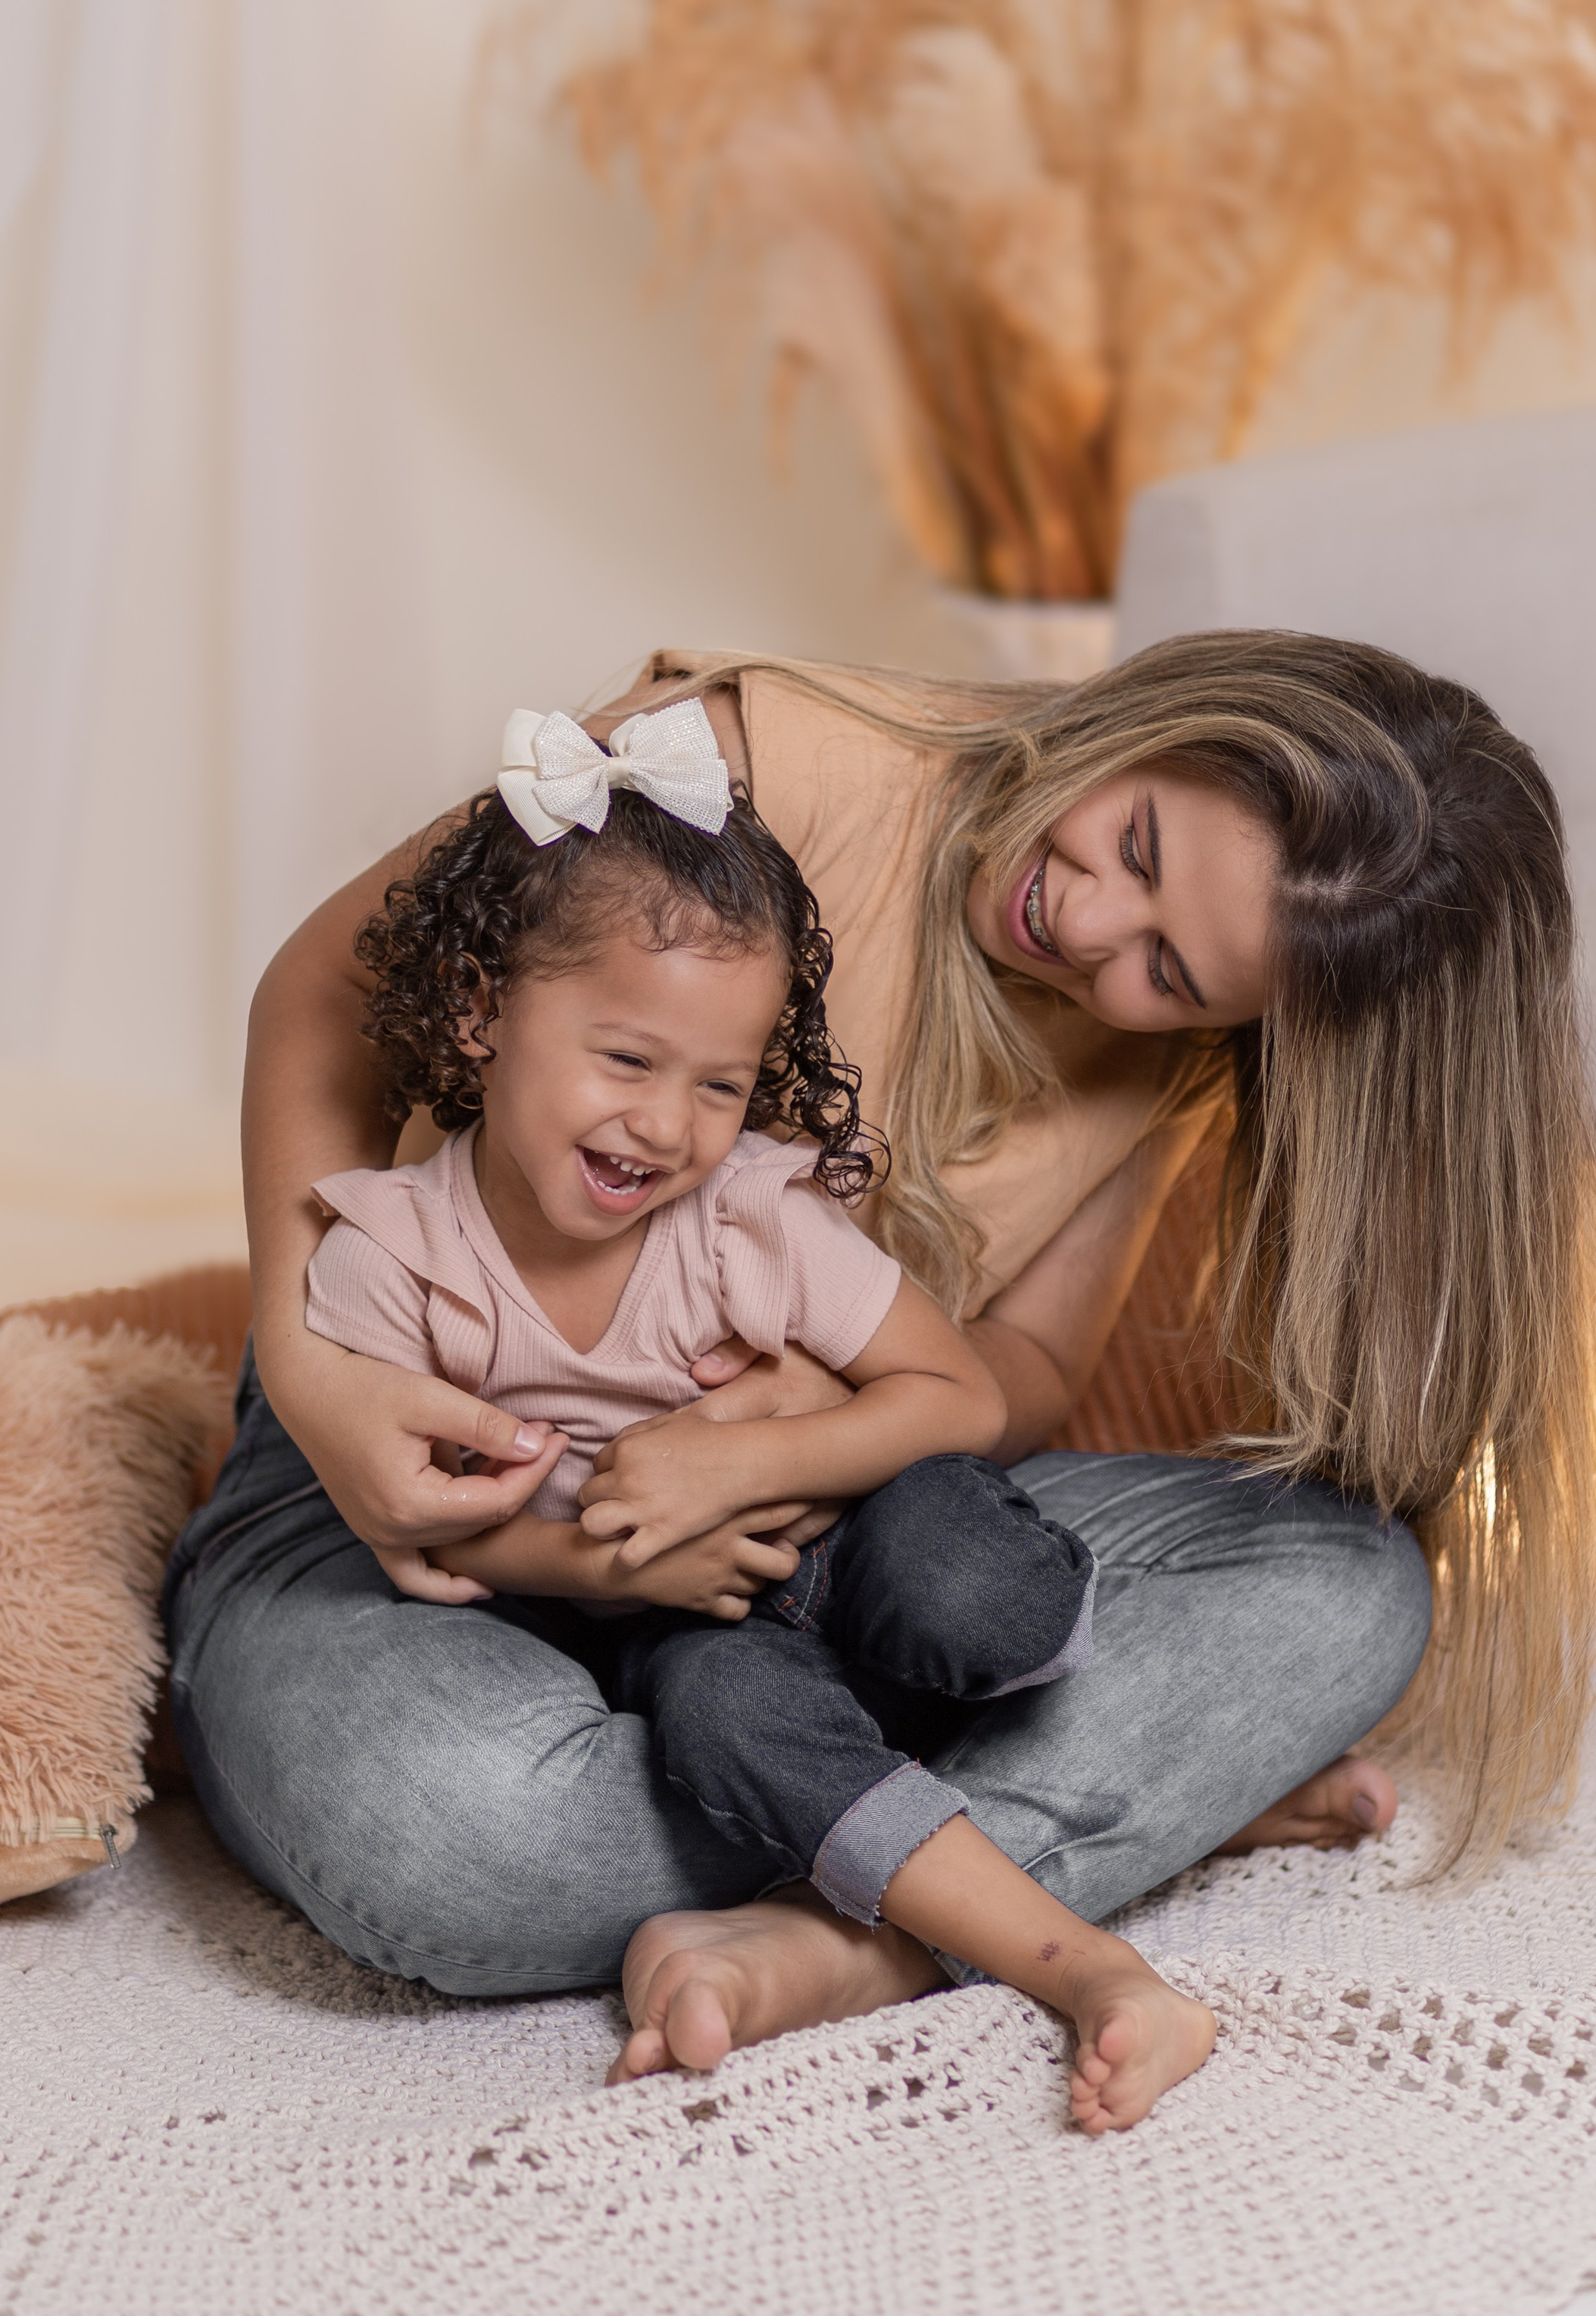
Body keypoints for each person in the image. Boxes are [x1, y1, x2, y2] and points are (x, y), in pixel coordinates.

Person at [165, 630, 1596, 2078]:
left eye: (1171, 969)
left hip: (816, 1549)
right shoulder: (756, 763)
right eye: (1135, 843)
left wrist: (803, 1427)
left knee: (1353, 1585)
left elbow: (1025, 1368)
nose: (1091, 924)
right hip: (431, 1489)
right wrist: (314, 1371)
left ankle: (845, 1931)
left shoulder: (1156, 1058)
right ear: (1154, 721)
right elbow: (329, 991)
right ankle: (1052, 1825)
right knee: (456, 1829)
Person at [307, 695, 1212, 2126]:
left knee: (977, 1580)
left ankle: (1027, 1749)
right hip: (682, 1622)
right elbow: (430, 1530)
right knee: (721, 1717)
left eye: (720, 1086)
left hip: (855, 1535)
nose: (668, 1125)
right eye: (626, 1061)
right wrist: (613, 1565)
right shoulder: (391, 1259)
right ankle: (1089, 1962)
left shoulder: (747, 1216)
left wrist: (755, 1460)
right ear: (480, 1012)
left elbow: (962, 1391)